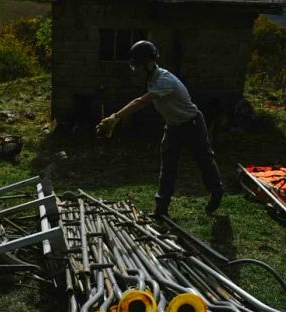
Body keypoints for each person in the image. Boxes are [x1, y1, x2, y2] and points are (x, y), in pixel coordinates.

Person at [96, 40, 223, 216]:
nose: (137, 71)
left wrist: (115, 118)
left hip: (192, 124)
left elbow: (141, 102)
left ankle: (216, 191)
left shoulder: (165, 80)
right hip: (173, 127)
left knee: (204, 160)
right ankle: (161, 208)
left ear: (149, 63)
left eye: (139, 66)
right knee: (168, 166)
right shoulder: (151, 78)